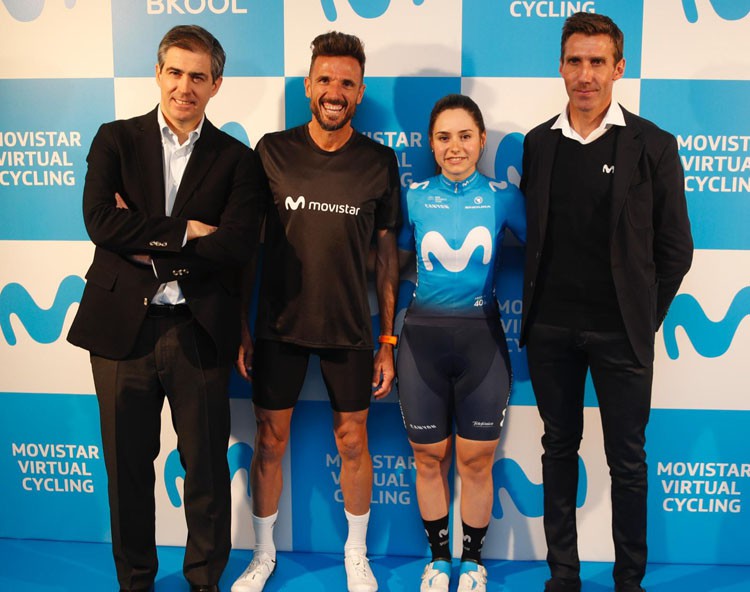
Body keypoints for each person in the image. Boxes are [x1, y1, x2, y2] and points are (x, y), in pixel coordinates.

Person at [67, 25, 263, 592]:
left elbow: (237, 246)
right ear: (158, 74)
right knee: (127, 473)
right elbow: (101, 223)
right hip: (119, 333)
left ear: (216, 84)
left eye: (198, 76)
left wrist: (145, 241)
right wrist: (185, 231)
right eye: (174, 72)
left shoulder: (238, 161)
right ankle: (136, 582)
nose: (184, 86)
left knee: (204, 470)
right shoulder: (115, 140)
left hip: (198, 331)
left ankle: (204, 581)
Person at [519, 12, 693, 592]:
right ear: (560, 67)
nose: (585, 75)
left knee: (628, 462)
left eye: (597, 62)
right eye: (575, 61)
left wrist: (642, 313)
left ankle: (629, 582)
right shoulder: (538, 144)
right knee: (557, 451)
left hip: (623, 333)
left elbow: (676, 251)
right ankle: (562, 576)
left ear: (620, 68)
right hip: (550, 331)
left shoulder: (654, 146)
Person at [231, 31, 400, 592]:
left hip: (349, 329)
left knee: (353, 441)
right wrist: (243, 326)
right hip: (278, 326)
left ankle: (356, 555)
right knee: (270, 440)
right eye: (325, 79)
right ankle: (262, 554)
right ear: (308, 85)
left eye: (347, 83)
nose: (335, 91)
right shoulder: (271, 152)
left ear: (360, 91)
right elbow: (248, 245)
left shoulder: (379, 162)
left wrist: (387, 342)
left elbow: (385, 259)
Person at [397, 94, 526, 592]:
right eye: (444, 137)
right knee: (428, 458)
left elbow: (548, 253)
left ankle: (472, 563)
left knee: (475, 461)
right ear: (431, 144)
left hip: (483, 345)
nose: (455, 147)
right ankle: (437, 561)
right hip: (420, 345)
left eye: (465, 136)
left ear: (481, 141)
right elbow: (392, 268)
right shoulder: (413, 197)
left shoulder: (504, 197)